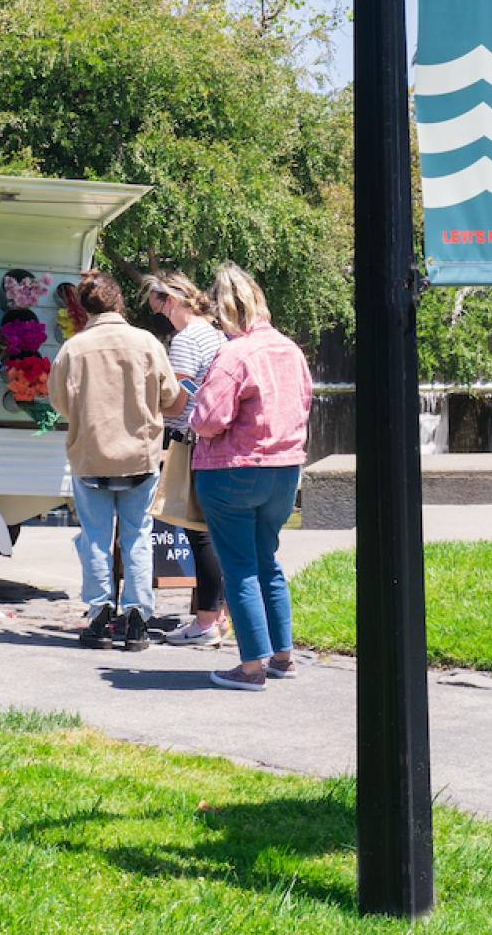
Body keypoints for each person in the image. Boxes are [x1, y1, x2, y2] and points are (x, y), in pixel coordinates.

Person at [190, 264, 314, 691]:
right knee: (267, 563)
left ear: (223, 309)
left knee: (239, 567)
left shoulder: (234, 354)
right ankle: (283, 656)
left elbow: (208, 420)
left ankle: (250, 668)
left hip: (233, 471)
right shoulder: (291, 351)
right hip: (284, 470)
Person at [48, 271, 185, 653]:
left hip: (91, 458)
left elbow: (59, 403)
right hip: (139, 457)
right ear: (119, 301)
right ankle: (137, 620)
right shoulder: (147, 343)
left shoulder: (74, 349)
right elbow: (171, 396)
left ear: (85, 307)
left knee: (95, 537)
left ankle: (100, 615)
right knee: (137, 536)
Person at [146, 270, 228, 647]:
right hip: (220, 439)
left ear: (172, 300)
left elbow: (179, 397)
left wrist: (154, 416)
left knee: (198, 532)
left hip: (193, 440)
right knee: (217, 533)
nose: (159, 313)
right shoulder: (216, 333)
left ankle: (206, 620)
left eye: (158, 305)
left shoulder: (184, 340)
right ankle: (221, 614)